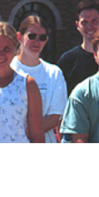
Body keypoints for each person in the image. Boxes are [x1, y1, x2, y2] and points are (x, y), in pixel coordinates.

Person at [11, 15, 67, 144]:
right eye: (31, 36)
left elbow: (54, 117)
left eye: (42, 37)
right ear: (19, 37)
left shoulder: (54, 73)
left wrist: (22, 136)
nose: (36, 41)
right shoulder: (8, 70)